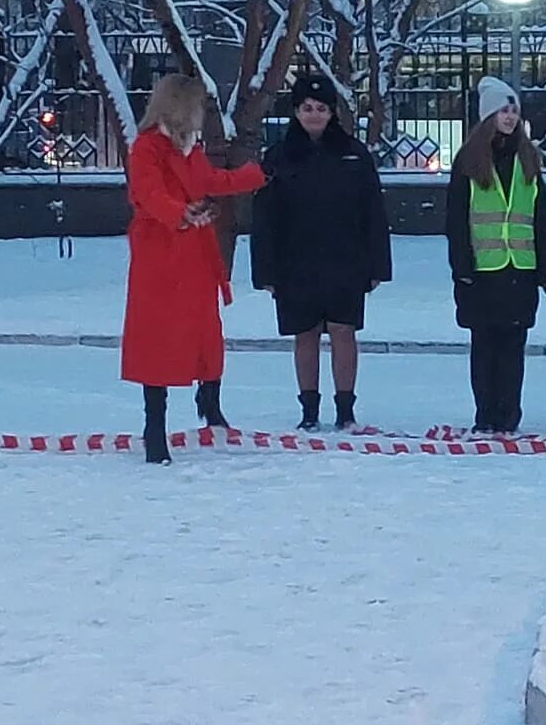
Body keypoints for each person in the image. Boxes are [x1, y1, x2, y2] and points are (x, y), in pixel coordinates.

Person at [120, 73, 267, 464]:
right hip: (160, 254)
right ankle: (155, 425)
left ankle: (210, 401)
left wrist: (253, 175)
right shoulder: (147, 148)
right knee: (157, 340)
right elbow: (149, 193)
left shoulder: (189, 149)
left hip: (194, 254)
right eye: (198, 105)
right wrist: (179, 213)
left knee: (204, 333)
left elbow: (211, 181)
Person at [251, 75, 392, 431]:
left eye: (321, 109)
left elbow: (373, 212)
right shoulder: (279, 157)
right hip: (294, 262)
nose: (314, 115)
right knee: (305, 333)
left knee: (343, 331)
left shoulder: (354, 155)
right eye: (306, 108)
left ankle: (345, 410)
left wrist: (377, 265)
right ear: (296, 112)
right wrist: (265, 271)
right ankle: (309, 410)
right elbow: (264, 218)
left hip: (346, 260)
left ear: (332, 112)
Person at [446, 77, 546, 433]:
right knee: (485, 346)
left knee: (513, 347)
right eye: (503, 110)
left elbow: (541, 218)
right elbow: (457, 220)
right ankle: (486, 415)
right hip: (483, 271)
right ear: (488, 116)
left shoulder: (528, 159)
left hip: (520, 269)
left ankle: (508, 415)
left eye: (514, 110)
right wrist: (462, 268)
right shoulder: (469, 161)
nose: (510, 117)